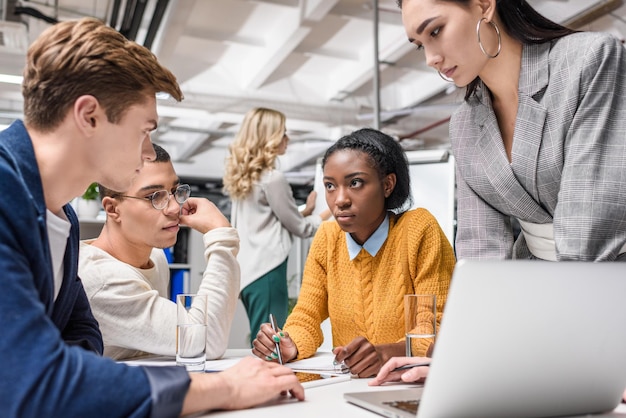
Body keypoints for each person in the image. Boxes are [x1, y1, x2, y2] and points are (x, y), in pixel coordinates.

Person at [0, 17, 303, 417]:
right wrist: (222, 387)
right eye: (144, 130)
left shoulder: (64, 221)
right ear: (89, 116)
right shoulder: (6, 197)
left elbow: (81, 336)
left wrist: (77, 378)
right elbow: (32, 379)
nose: (147, 152)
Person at [397, 0, 626, 261]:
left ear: (484, 5)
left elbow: (587, 231)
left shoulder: (589, 60)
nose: (430, 58)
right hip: (525, 283)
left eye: (435, 31)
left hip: (609, 280)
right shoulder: (463, 126)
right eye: (419, 45)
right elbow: (479, 249)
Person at [251, 128, 456, 377]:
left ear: (388, 184)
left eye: (355, 183)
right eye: (330, 186)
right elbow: (306, 315)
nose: (340, 200)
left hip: (406, 386)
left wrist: (387, 354)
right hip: (345, 387)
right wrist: (289, 344)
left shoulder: (419, 230)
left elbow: (435, 328)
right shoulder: (327, 239)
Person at [78, 143, 239, 361]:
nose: (174, 208)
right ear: (113, 209)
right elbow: (204, 342)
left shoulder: (155, 256)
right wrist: (221, 237)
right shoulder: (102, 280)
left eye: (174, 191)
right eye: (154, 196)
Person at [222, 107, 331, 340]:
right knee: (272, 344)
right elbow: (301, 229)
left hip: (249, 274)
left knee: (261, 339)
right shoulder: (273, 179)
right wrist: (329, 212)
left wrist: (306, 210)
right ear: (269, 138)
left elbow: (268, 220)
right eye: (283, 133)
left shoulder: (245, 179)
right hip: (268, 271)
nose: (287, 139)